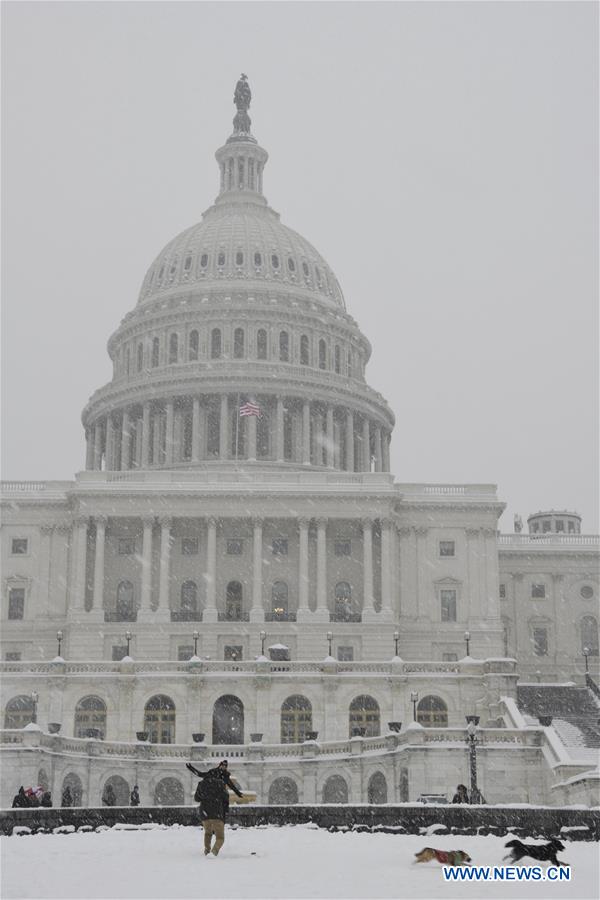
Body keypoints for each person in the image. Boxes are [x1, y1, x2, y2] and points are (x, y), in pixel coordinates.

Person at [196, 773, 229, 857]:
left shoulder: (201, 784)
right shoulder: (221, 783)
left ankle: (207, 851)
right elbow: (226, 797)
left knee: (208, 833)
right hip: (217, 813)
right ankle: (214, 852)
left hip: (205, 813)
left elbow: (197, 798)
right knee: (220, 837)